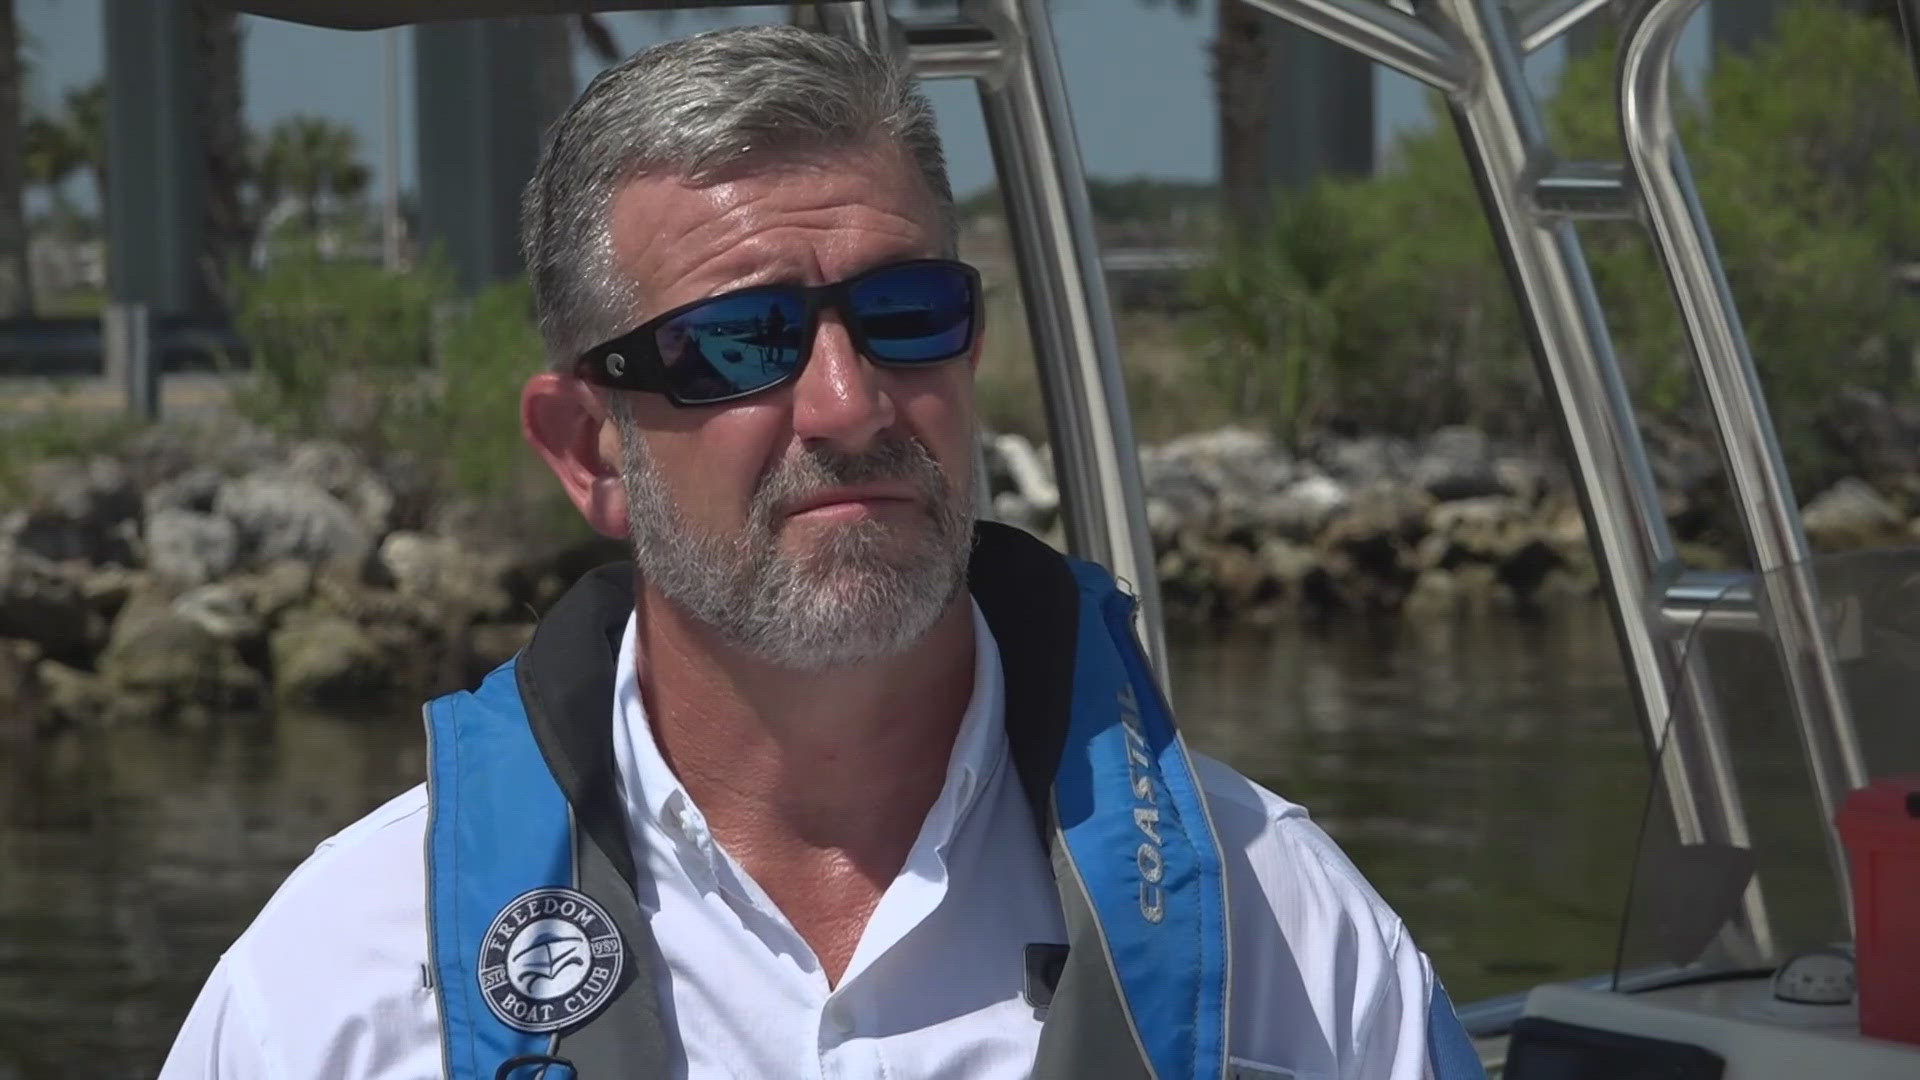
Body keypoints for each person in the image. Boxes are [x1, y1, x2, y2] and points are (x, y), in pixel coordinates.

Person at [160, 25, 1482, 1080]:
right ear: (587, 448)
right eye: (740, 343)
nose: (849, 406)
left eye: (905, 315)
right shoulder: (339, 989)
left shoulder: (1282, 937)